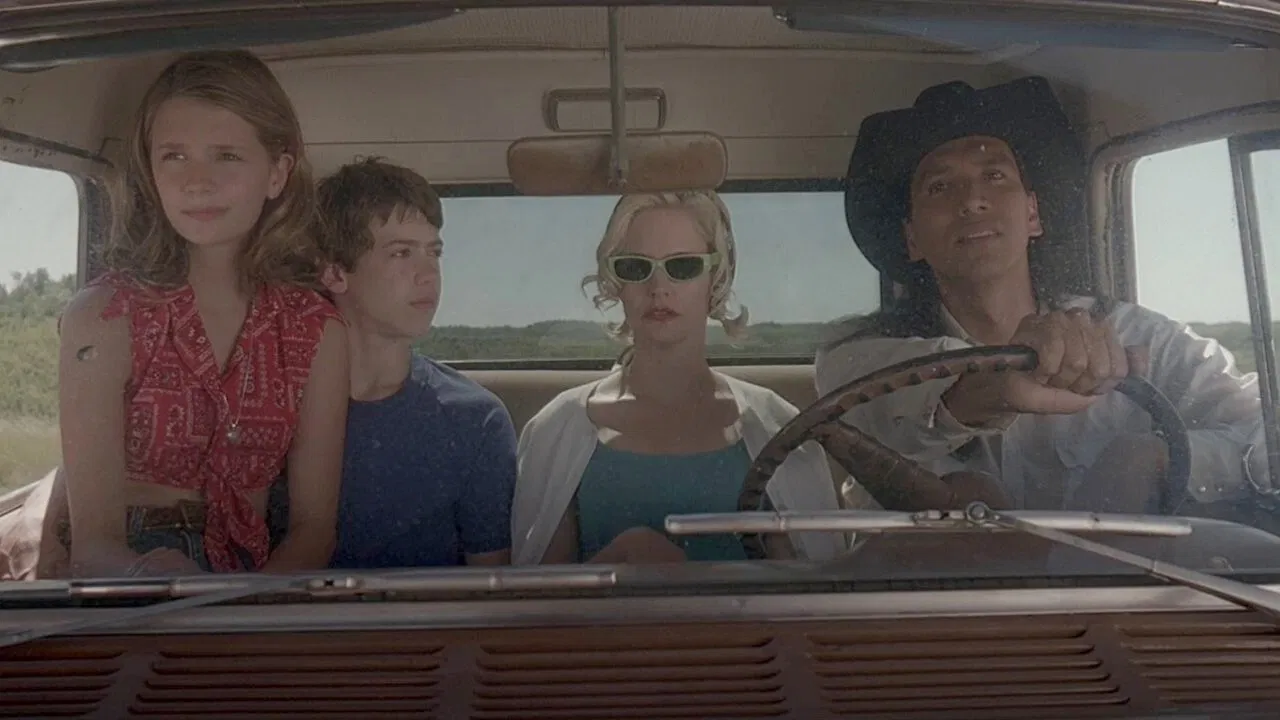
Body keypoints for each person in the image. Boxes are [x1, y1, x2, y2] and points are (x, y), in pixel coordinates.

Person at [816, 75, 1269, 516]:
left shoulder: (1140, 337)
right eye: (940, 187)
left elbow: (1263, 427)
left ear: (1033, 213)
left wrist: (1159, 457)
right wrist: (989, 388)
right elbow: (871, 408)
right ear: (911, 237)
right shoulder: (856, 359)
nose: (972, 200)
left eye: (994, 175)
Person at [55, 50, 350, 578]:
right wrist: (152, 580)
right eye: (174, 156)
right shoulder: (104, 316)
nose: (197, 181)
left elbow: (314, 528)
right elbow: (93, 546)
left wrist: (246, 606)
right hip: (130, 580)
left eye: (226, 156)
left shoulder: (316, 329)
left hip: (255, 580)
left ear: (277, 173)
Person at [513, 190, 846, 566]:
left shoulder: (777, 425)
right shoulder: (559, 428)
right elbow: (540, 594)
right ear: (615, 282)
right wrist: (622, 557)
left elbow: (813, 584)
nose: (659, 288)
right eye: (635, 267)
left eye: (683, 266)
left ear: (715, 279)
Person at [314, 158, 517, 569]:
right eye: (401, 253)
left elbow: (492, 591)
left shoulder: (474, 419)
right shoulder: (272, 411)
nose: (429, 275)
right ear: (334, 273)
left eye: (434, 252)